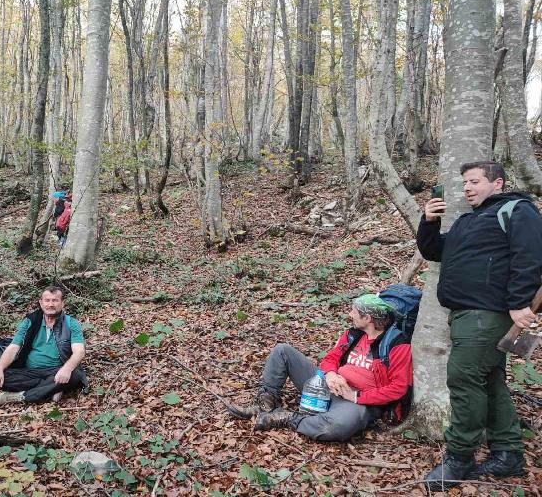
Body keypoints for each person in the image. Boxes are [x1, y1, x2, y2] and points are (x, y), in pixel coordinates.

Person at [417, 161, 542, 490]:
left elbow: (530, 256)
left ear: (497, 183)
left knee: (463, 378)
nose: (467, 188)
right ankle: (507, 453)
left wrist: (519, 303)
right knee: (489, 382)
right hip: (465, 315)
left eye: (474, 181)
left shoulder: (518, 210)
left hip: (486, 314)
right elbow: (435, 251)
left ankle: (459, 458)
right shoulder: (469, 221)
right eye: (465, 183)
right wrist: (429, 221)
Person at [227, 294, 413, 441]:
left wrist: (356, 396)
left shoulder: (397, 345)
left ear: (368, 318)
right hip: (328, 386)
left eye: (354, 312)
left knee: (338, 427)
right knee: (283, 351)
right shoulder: (353, 334)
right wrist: (331, 374)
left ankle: (288, 418)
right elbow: (331, 358)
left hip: (357, 403)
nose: (350, 315)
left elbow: (398, 388)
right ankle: (264, 404)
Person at [0, 287, 87, 404]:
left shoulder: (71, 323)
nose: (50, 304)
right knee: (2, 377)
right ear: (41, 303)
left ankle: (23, 396)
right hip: (30, 371)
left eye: (55, 300)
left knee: (74, 375)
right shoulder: (30, 321)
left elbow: (79, 351)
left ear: (62, 303)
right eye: (47, 300)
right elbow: (13, 347)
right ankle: (53, 389)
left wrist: (66, 369)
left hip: (57, 370)